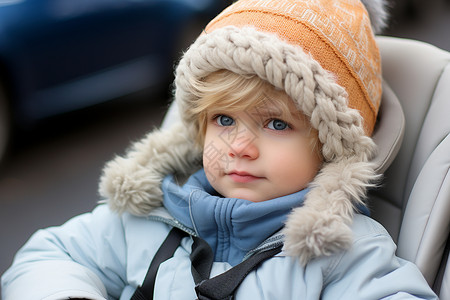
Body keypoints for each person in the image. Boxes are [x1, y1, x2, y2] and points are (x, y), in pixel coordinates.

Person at [1, 0, 439, 299]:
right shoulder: (151, 219)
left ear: (331, 146)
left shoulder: (342, 255)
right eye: (224, 120)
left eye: (276, 123)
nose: (240, 147)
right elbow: (49, 254)